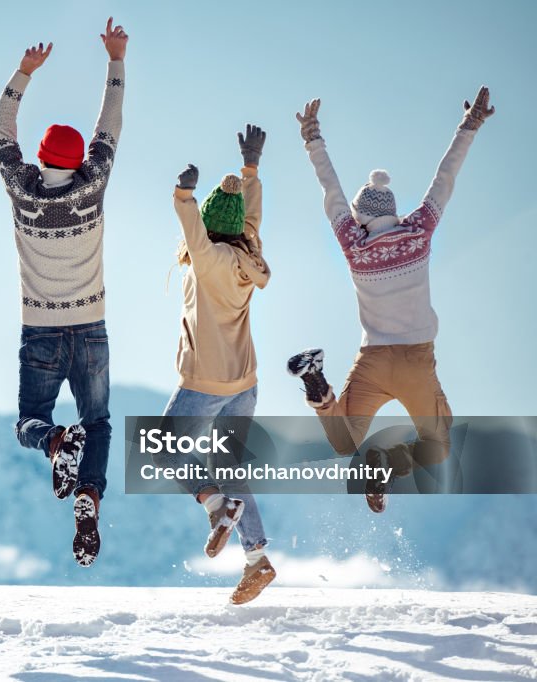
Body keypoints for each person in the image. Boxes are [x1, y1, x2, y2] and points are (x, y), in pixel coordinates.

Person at [287, 87, 496, 512]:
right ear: (394, 211)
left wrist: (313, 138)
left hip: (374, 360)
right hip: (418, 360)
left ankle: (317, 385)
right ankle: (388, 464)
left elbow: (332, 193)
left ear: (362, 218)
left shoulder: (354, 244)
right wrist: (468, 126)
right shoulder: (418, 232)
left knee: (345, 439)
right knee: (438, 443)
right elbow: (444, 180)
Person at [0, 17, 127, 567]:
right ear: (77, 163)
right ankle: (89, 496)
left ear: (41, 158)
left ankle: (52, 444)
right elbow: (110, 125)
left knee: (30, 420)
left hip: (40, 330)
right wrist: (115, 60)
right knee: (98, 425)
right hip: (91, 328)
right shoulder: (93, 185)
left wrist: (24, 73)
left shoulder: (22, 188)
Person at [157, 125, 275, 604]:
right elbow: (252, 220)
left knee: (164, 449)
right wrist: (250, 169)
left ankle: (214, 504)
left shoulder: (205, 258)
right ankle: (257, 560)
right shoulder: (250, 255)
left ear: (208, 223)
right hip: (244, 382)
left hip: (204, 379)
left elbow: (191, 228)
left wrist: (183, 194)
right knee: (230, 465)